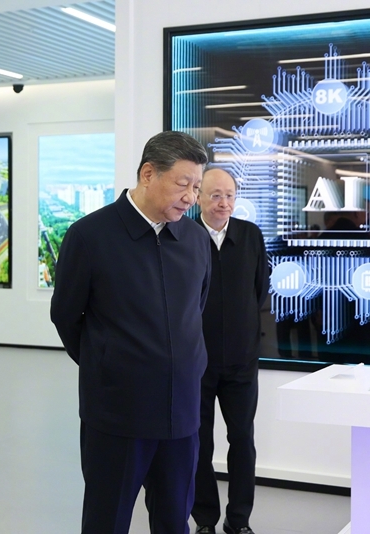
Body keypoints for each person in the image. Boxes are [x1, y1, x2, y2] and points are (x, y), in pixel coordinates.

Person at [50, 131, 212, 534]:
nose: (191, 197)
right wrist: (108, 361)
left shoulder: (195, 239)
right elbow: (66, 316)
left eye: (196, 187)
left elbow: (196, 310)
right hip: (117, 412)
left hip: (182, 412)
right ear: (148, 174)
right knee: (107, 520)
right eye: (183, 184)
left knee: (174, 520)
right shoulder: (90, 235)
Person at [191, 168, 269, 534]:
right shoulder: (183, 235)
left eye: (230, 196)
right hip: (196, 362)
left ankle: (238, 521)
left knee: (242, 441)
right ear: (198, 197)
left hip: (241, 362)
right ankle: (205, 520)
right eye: (215, 195)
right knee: (198, 444)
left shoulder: (250, 235)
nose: (224, 203)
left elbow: (259, 290)